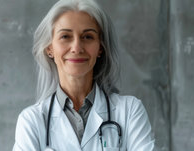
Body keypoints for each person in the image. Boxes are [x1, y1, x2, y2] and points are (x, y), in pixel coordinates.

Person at [12, 0, 155, 150]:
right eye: (65, 36)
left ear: (100, 47)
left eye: (87, 37)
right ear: (50, 48)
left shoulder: (129, 111)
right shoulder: (32, 120)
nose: (77, 47)